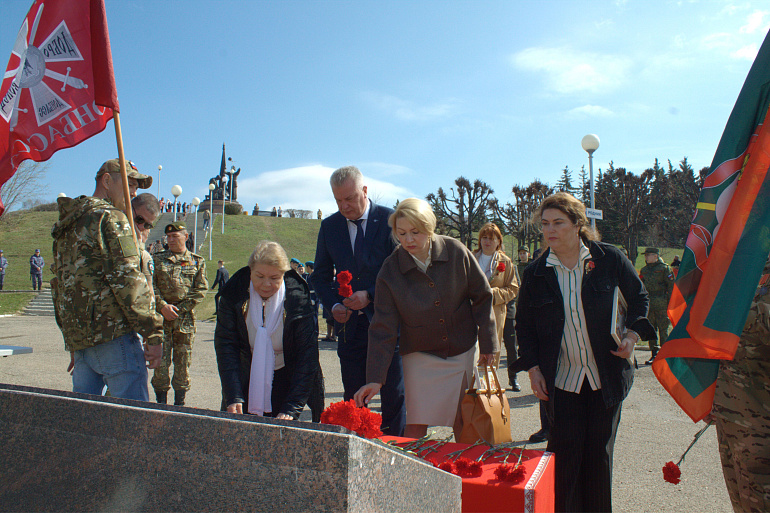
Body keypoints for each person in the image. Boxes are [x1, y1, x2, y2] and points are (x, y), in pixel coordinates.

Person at [515, 192, 653, 513]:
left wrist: (632, 335)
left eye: (558, 222)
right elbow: (525, 326)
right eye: (545, 223)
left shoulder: (610, 259)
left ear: (578, 224)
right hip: (563, 380)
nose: (550, 230)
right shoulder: (535, 274)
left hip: (606, 375)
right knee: (564, 457)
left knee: (598, 456)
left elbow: (639, 298)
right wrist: (533, 369)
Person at [354, 198, 497, 439]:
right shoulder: (390, 269)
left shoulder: (456, 251)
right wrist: (375, 379)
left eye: (415, 232)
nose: (408, 239)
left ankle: (465, 464)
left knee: (463, 420)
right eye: (401, 233)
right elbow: (382, 327)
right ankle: (412, 465)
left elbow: (482, 296)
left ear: (429, 228)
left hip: (461, 349)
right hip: (418, 354)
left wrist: (488, 343)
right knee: (416, 423)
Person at [51, 158, 162, 401]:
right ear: (107, 180)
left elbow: (60, 284)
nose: (133, 193)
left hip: (82, 340)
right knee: (132, 417)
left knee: (86, 418)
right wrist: (153, 334)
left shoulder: (69, 222)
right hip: (113, 335)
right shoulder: (110, 217)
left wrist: (71, 337)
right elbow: (129, 282)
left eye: (136, 187)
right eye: (129, 184)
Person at [311, 165, 406, 436]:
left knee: (394, 396)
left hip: (388, 326)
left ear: (365, 190)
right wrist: (334, 305)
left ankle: (396, 452)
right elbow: (319, 277)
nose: (344, 206)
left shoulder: (390, 220)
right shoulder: (329, 227)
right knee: (353, 400)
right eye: (338, 200)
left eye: (350, 198)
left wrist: (370, 295)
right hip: (349, 328)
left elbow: (404, 273)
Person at [214, 241, 322, 420]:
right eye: (259, 276)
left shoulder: (298, 300)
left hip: (286, 378)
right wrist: (233, 395)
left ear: (284, 275)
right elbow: (226, 347)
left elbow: (307, 356)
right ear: (250, 271)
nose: (266, 284)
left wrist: (292, 407)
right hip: (246, 376)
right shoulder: (233, 295)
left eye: (274, 278)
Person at [712, 258, 770, 512]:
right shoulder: (752, 263)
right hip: (732, 414)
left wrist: (733, 310)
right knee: (742, 500)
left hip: (761, 423)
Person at [152, 222, 208, 406]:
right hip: (161, 319)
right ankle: (161, 404)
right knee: (160, 363)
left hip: (184, 320)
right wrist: (162, 306)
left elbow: (201, 288)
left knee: (183, 363)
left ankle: (179, 405)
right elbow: (150, 286)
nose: (170, 240)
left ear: (186, 236)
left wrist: (180, 309)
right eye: (168, 237)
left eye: (175, 236)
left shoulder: (196, 261)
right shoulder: (157, 259)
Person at [473, 222, 519, 370]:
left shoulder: (505, 262)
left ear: (499, 241)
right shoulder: (470, 258)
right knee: (471, 354)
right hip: (471, 313)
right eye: (484, 237)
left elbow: (513, 289)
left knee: (490, 355)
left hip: (495, 313)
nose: (487, 241)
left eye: (492, 239)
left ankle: (489, 382)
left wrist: (493, 293)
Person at [639, 247, 675, 365]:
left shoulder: (664, 269)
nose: (646, 257)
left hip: (662, 303)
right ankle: (654, 353)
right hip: (649, 303)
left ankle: (664, 354)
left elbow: (671, 286)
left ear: (655, 256)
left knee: (663, 329)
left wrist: (670, 303)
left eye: (648, 255)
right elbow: (641, 286)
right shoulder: (644, 270)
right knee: (651, 328)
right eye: (645, 255)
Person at [131, 193, 161, 293]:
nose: (141, 227)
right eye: (139, 219)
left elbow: (149, 289)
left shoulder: (144, 255)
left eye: (147, 225)